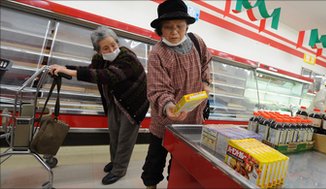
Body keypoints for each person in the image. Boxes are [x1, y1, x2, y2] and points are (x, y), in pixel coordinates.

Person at [49, 26, 149, 185]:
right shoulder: (99, 59)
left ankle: (119, 170)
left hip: (133, 103)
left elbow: (108, 76)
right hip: (115, 101)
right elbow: (90, 71)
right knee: (114, 134)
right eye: (105, 48)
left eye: (113, 45)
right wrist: (64, 68)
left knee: (125, 138)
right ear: (98, 51)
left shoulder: (128, 58)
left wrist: (69, 72)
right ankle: (115, 161)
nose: (111, 49)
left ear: (117, 42)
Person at [141, 0, 212, 188]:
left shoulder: (197, 42)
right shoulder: (158, 53)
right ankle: (151, 185)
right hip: (166, 120)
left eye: (179, 26)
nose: (174, 32)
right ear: (160, 29)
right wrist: (168, 105)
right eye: (168, 27)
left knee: (181, 163)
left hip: (193, 118)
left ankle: (175, 184)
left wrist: (206, 83)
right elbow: (158, 88)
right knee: (154, 161)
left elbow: (207, 63)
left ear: (186, 26)